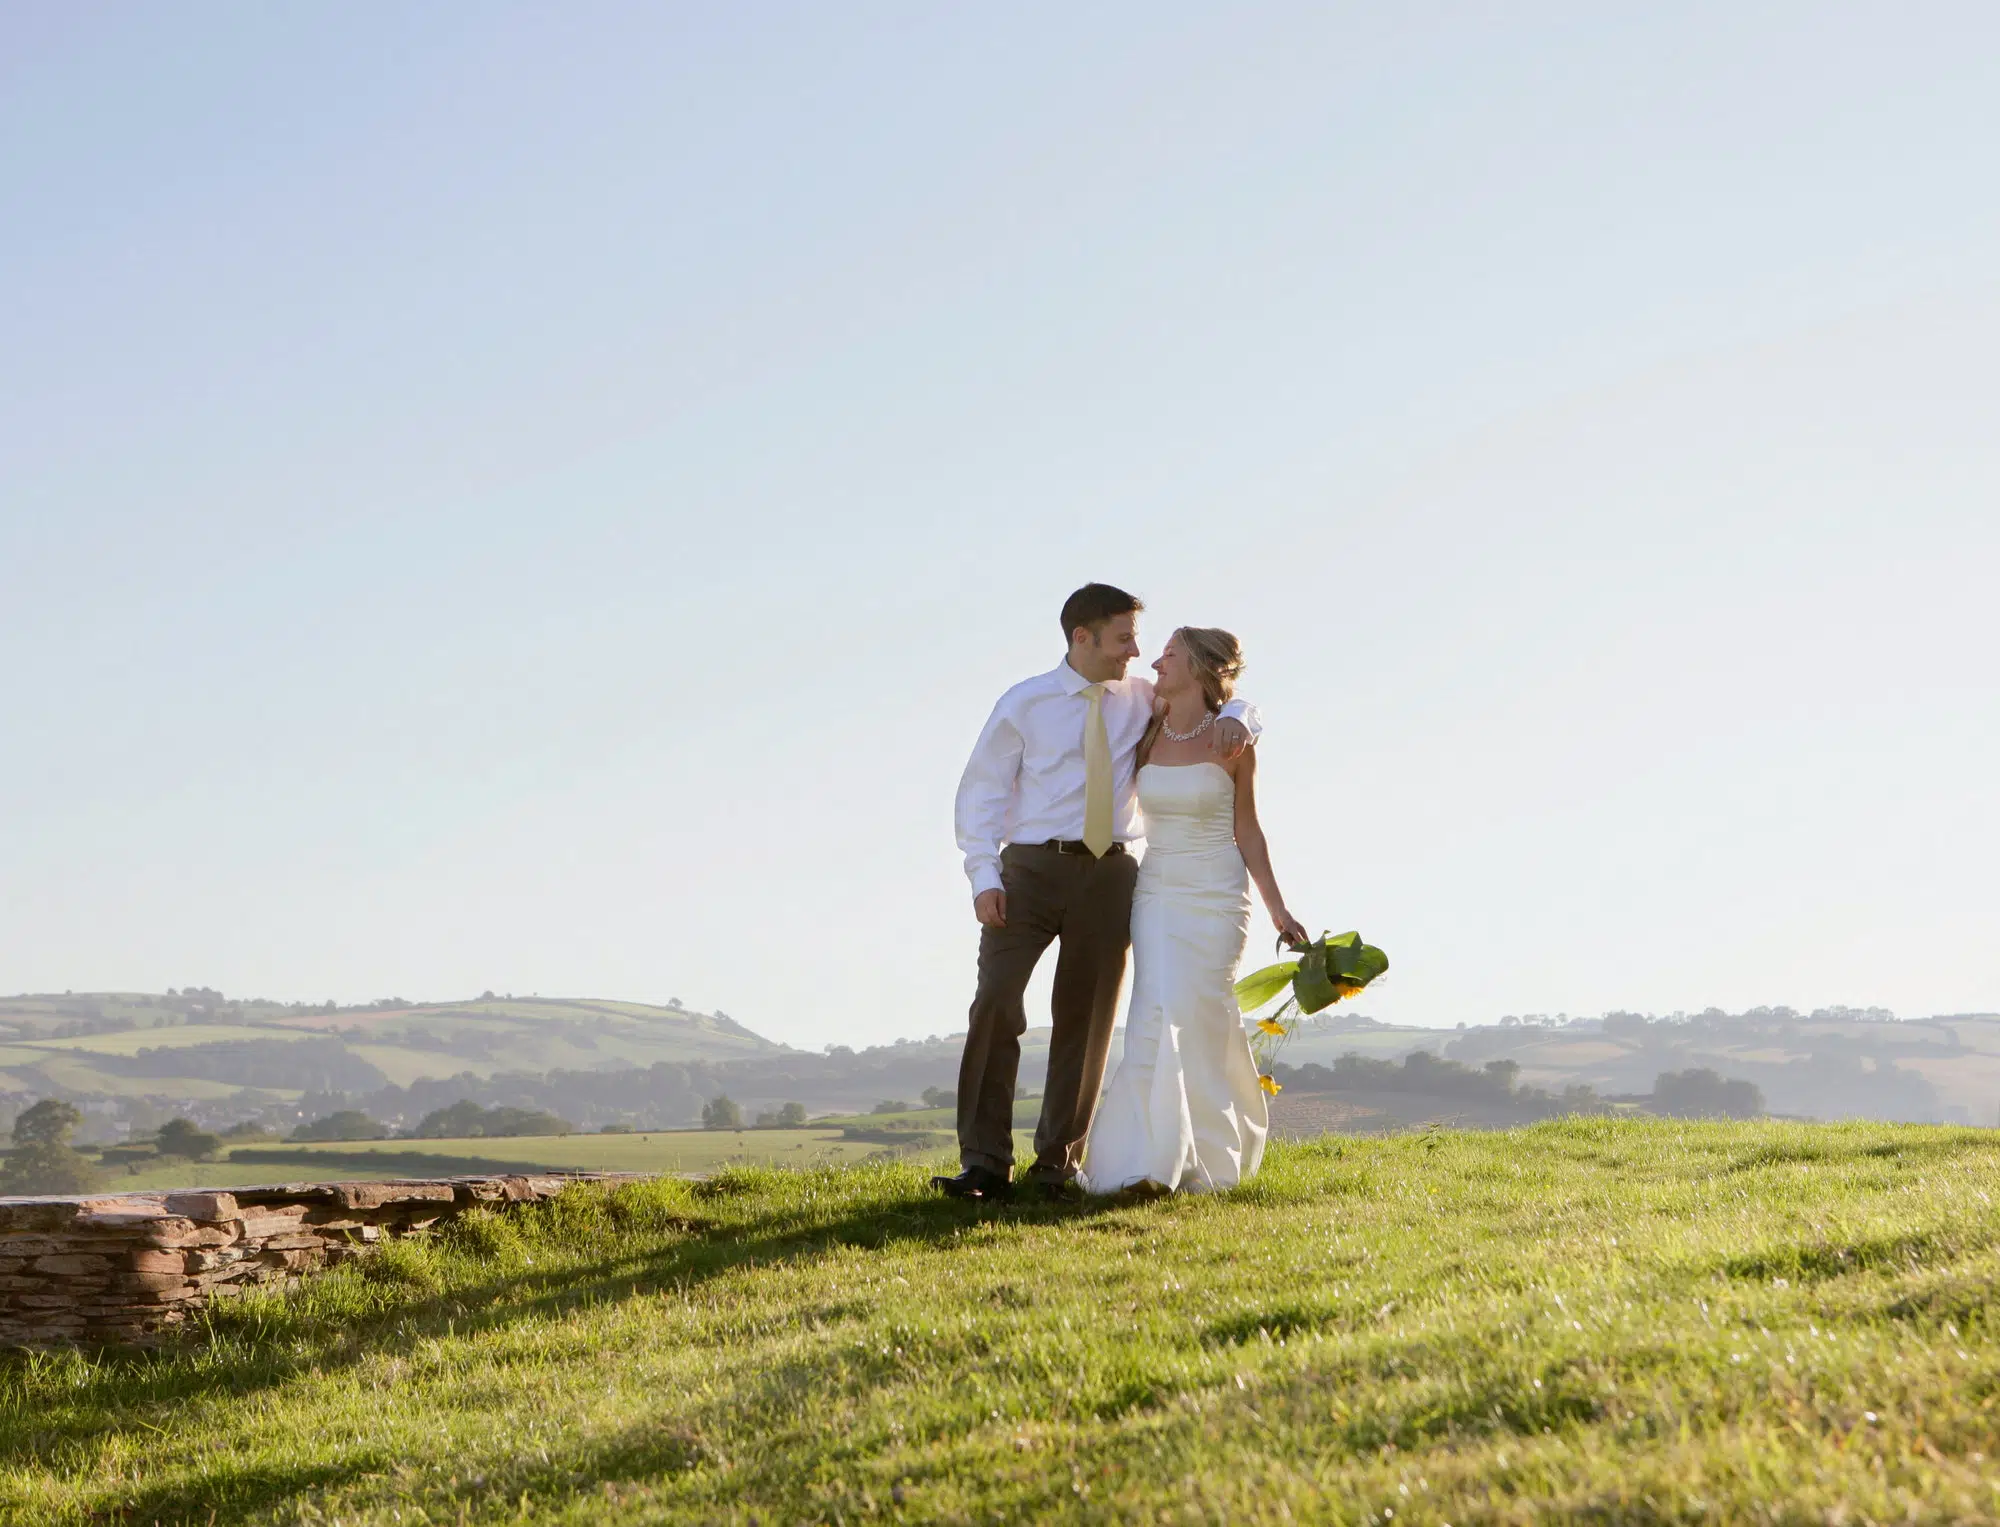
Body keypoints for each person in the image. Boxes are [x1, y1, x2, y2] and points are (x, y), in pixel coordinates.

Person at [939, 584, 1263, 1201]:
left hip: (1113, 874)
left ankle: (1058, 1164)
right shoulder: (1024, 703)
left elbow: (1224, 697)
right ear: (1081, 637)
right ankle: (984, 1163)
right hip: (1028, 873)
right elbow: (980, 792)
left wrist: (1241, 716)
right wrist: (983, 876)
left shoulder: (1143, 700)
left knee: (1085, 1022)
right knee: (996, 1004)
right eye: (1123, 638)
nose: (1136, 653)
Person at [1079, 626, 1305, 1195]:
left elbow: (1248, 830)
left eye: (1170, 655)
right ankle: (1143, 1164)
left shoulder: (1232, 741)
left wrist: (1280, 912)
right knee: (1156, 1012)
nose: (1155, 661)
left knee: (1201, 1014)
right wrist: (1244, 708)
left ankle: (1203, 1160)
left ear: (1200, 668)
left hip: (1217, 895)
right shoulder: (1147, 722)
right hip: (1157, 892)